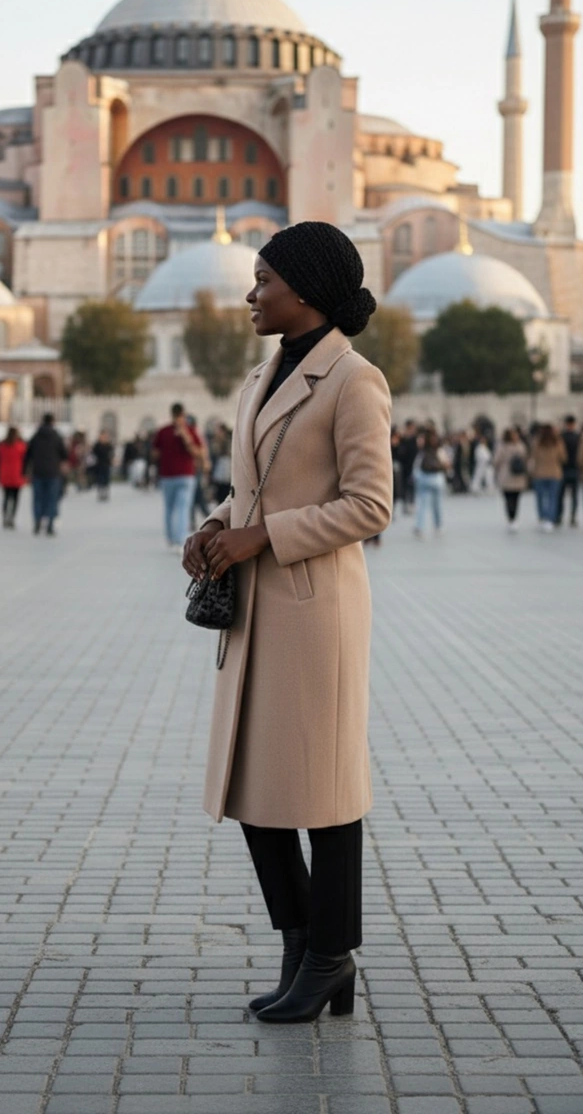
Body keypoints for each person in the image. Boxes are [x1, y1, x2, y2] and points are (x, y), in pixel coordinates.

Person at [183, 220, 392, 1024]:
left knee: (326, 795)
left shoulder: (353, 380)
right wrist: (211, 528)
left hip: (313, 613)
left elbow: (369, 506)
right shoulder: (261, 374)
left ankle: (332, 955)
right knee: (253, 787)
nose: (250, 294)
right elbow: (253, 487)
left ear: (303, 291)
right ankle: (301, 943)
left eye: (264, 280)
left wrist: (261, 536)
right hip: (254, 610)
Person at [152, 404, 203, 550]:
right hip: (170, 476)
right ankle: (173, 539)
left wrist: (185, 437)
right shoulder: (164, 431)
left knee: (180, 508)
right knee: (172, 508)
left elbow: (196, 452)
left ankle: (178, 539)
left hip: (183, 476)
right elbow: (155, 453)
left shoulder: (188, 431)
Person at [23, 413, 68, 535]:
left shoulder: (35, 437)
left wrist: (24, 470)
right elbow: (64, 454)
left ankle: (37, 522)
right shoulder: (56, 437)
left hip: (38, 472)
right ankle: (50, 524)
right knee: (51, 499)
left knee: (38, 498)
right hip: (53, 473)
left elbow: (27, 455)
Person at [529, 423, 566, 532]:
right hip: (554, 473)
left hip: (540, 473)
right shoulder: (557, 442)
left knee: (540, 498)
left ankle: (542, 517)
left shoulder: (537, 442)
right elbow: (563, 457)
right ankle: (550, 519)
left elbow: (533, 456)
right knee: (552, 497)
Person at [413, 429, 450, 536]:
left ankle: (420, 526)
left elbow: (417, 464)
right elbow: (446, 463)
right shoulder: (439, 450)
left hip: (425, 477)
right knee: (437, 504)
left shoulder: (423, 450)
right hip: (437, 478)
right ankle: (438, 525)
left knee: (423, 504)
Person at [493, 427, 528, 531]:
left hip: (505, 475)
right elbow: (525, 459)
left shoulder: (502, 447)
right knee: (516, 499)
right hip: (517, 476)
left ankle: (510, 518)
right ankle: (514, 518)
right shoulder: (520, 446)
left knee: (508, 499)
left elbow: (496, 461)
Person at [0, 426, 27, 528]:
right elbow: (25, 460)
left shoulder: (2, 446)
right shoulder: (20, 446)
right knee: (15, 499)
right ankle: (12, 518)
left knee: (6, 498)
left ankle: (5, 517)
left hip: (5, 475)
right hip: (17, 475)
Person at [556, 415, 580, 527]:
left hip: (564, 468)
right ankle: (572, 517)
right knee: (573, 495)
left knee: (562, 495)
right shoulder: (578, 437)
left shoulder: (561, 437)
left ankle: (560, 516)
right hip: (573, 468)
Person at [397, 420, 419, 513]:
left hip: (413, 466)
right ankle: (405, 504)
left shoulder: (415, 439)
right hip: (404, 466)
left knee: (412, 486)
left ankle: (411, 504)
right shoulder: (403, 438)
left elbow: (416, 452)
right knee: (404, 486)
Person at [90, 431, 114, 502]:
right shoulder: (97, 445)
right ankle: (100, 493)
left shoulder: (109, 445)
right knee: (100, 479)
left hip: (106, 464)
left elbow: (111, 454)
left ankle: (105, 493)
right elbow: (93, 454)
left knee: (106, 479)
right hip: (99, 465)